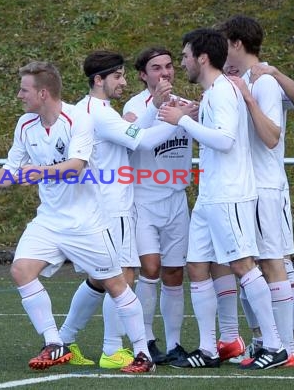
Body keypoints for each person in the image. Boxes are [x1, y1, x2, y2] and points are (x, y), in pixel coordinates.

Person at [0, 60, 155, 373]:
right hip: (49, 220)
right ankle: (54, 343)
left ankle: (143, 355)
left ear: (43, 93)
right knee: (21, 270)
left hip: (86, 222)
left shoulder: (78, 119)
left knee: (116, 283)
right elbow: (13, 166)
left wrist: (37, 172)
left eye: (24, 90)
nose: (19, 95)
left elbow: (75, 166)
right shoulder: (25, 125)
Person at [160, 28, 288, 370]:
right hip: (210, 195)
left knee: (243, 265)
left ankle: (276, 345)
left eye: (185, 55)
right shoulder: (216, 92)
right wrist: (190, 113)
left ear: (202, 58)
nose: (182, 61)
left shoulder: (223, 92)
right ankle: (209, 349)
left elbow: (225, 140)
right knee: (197, 266)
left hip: (229, 195)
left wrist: (184, 121)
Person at [57, 50, 190, 369]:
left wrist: (156, 109)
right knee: (122, 277)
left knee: (100, 279)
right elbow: (141, 141)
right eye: (117, 76)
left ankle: (62, 341)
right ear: (99, 80)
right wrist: (179, 120)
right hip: (110, 206)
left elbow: (131, 133)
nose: (124, 81)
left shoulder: (92, 108)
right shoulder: (99, 112)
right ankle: (112, 349)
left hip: (102, 205)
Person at [219, 15, 294, 367]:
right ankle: (265, 342)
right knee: (248, 266)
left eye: (223, 43)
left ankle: (288, 347)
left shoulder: (263, 81)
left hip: (266, 187)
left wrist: (251, 95)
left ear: (237, 44)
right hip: (245, 188)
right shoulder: (244, 79)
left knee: (275, 263)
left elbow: (272, 137)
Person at [122, 46, 196, 365]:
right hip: (144, 198)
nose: (164, 72)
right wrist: (163, 110)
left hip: (176, 199)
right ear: (143, 74)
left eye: (168, 66)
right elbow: (135, 137)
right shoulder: (134, 106)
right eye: (156, 68)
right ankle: (147, 340)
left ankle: (175, 344)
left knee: (175, 273)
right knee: (149, 269)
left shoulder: (185, 105)